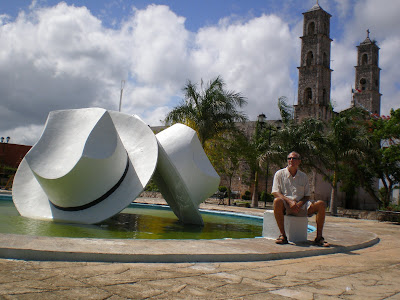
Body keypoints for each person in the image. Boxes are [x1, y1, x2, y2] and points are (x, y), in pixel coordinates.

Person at [271, 151, 329, 246]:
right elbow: (275, 192)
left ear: (299, 161)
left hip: (302, 206)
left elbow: (307, 196)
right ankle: (283, 236)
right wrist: (290, 202)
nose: (291, 160)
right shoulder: (279, 174)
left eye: (294, 158)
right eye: (289, 158)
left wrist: (299, 204)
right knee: (277, 201)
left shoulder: (303, 176)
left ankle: (319, 238)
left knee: (321, 204)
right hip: (286, 206)